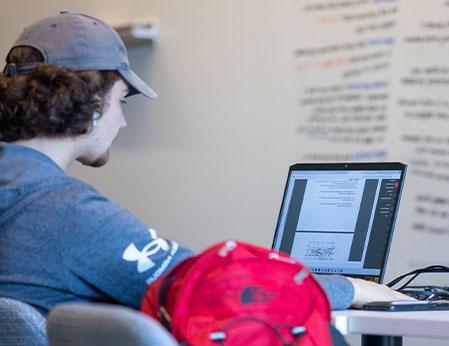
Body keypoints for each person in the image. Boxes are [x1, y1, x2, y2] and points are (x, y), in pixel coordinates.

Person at [0, 11, 409, 316]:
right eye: (121, 101)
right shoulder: (69, 213)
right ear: (87, 100)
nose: (122, 120)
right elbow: (220, 290)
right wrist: (351, 289)